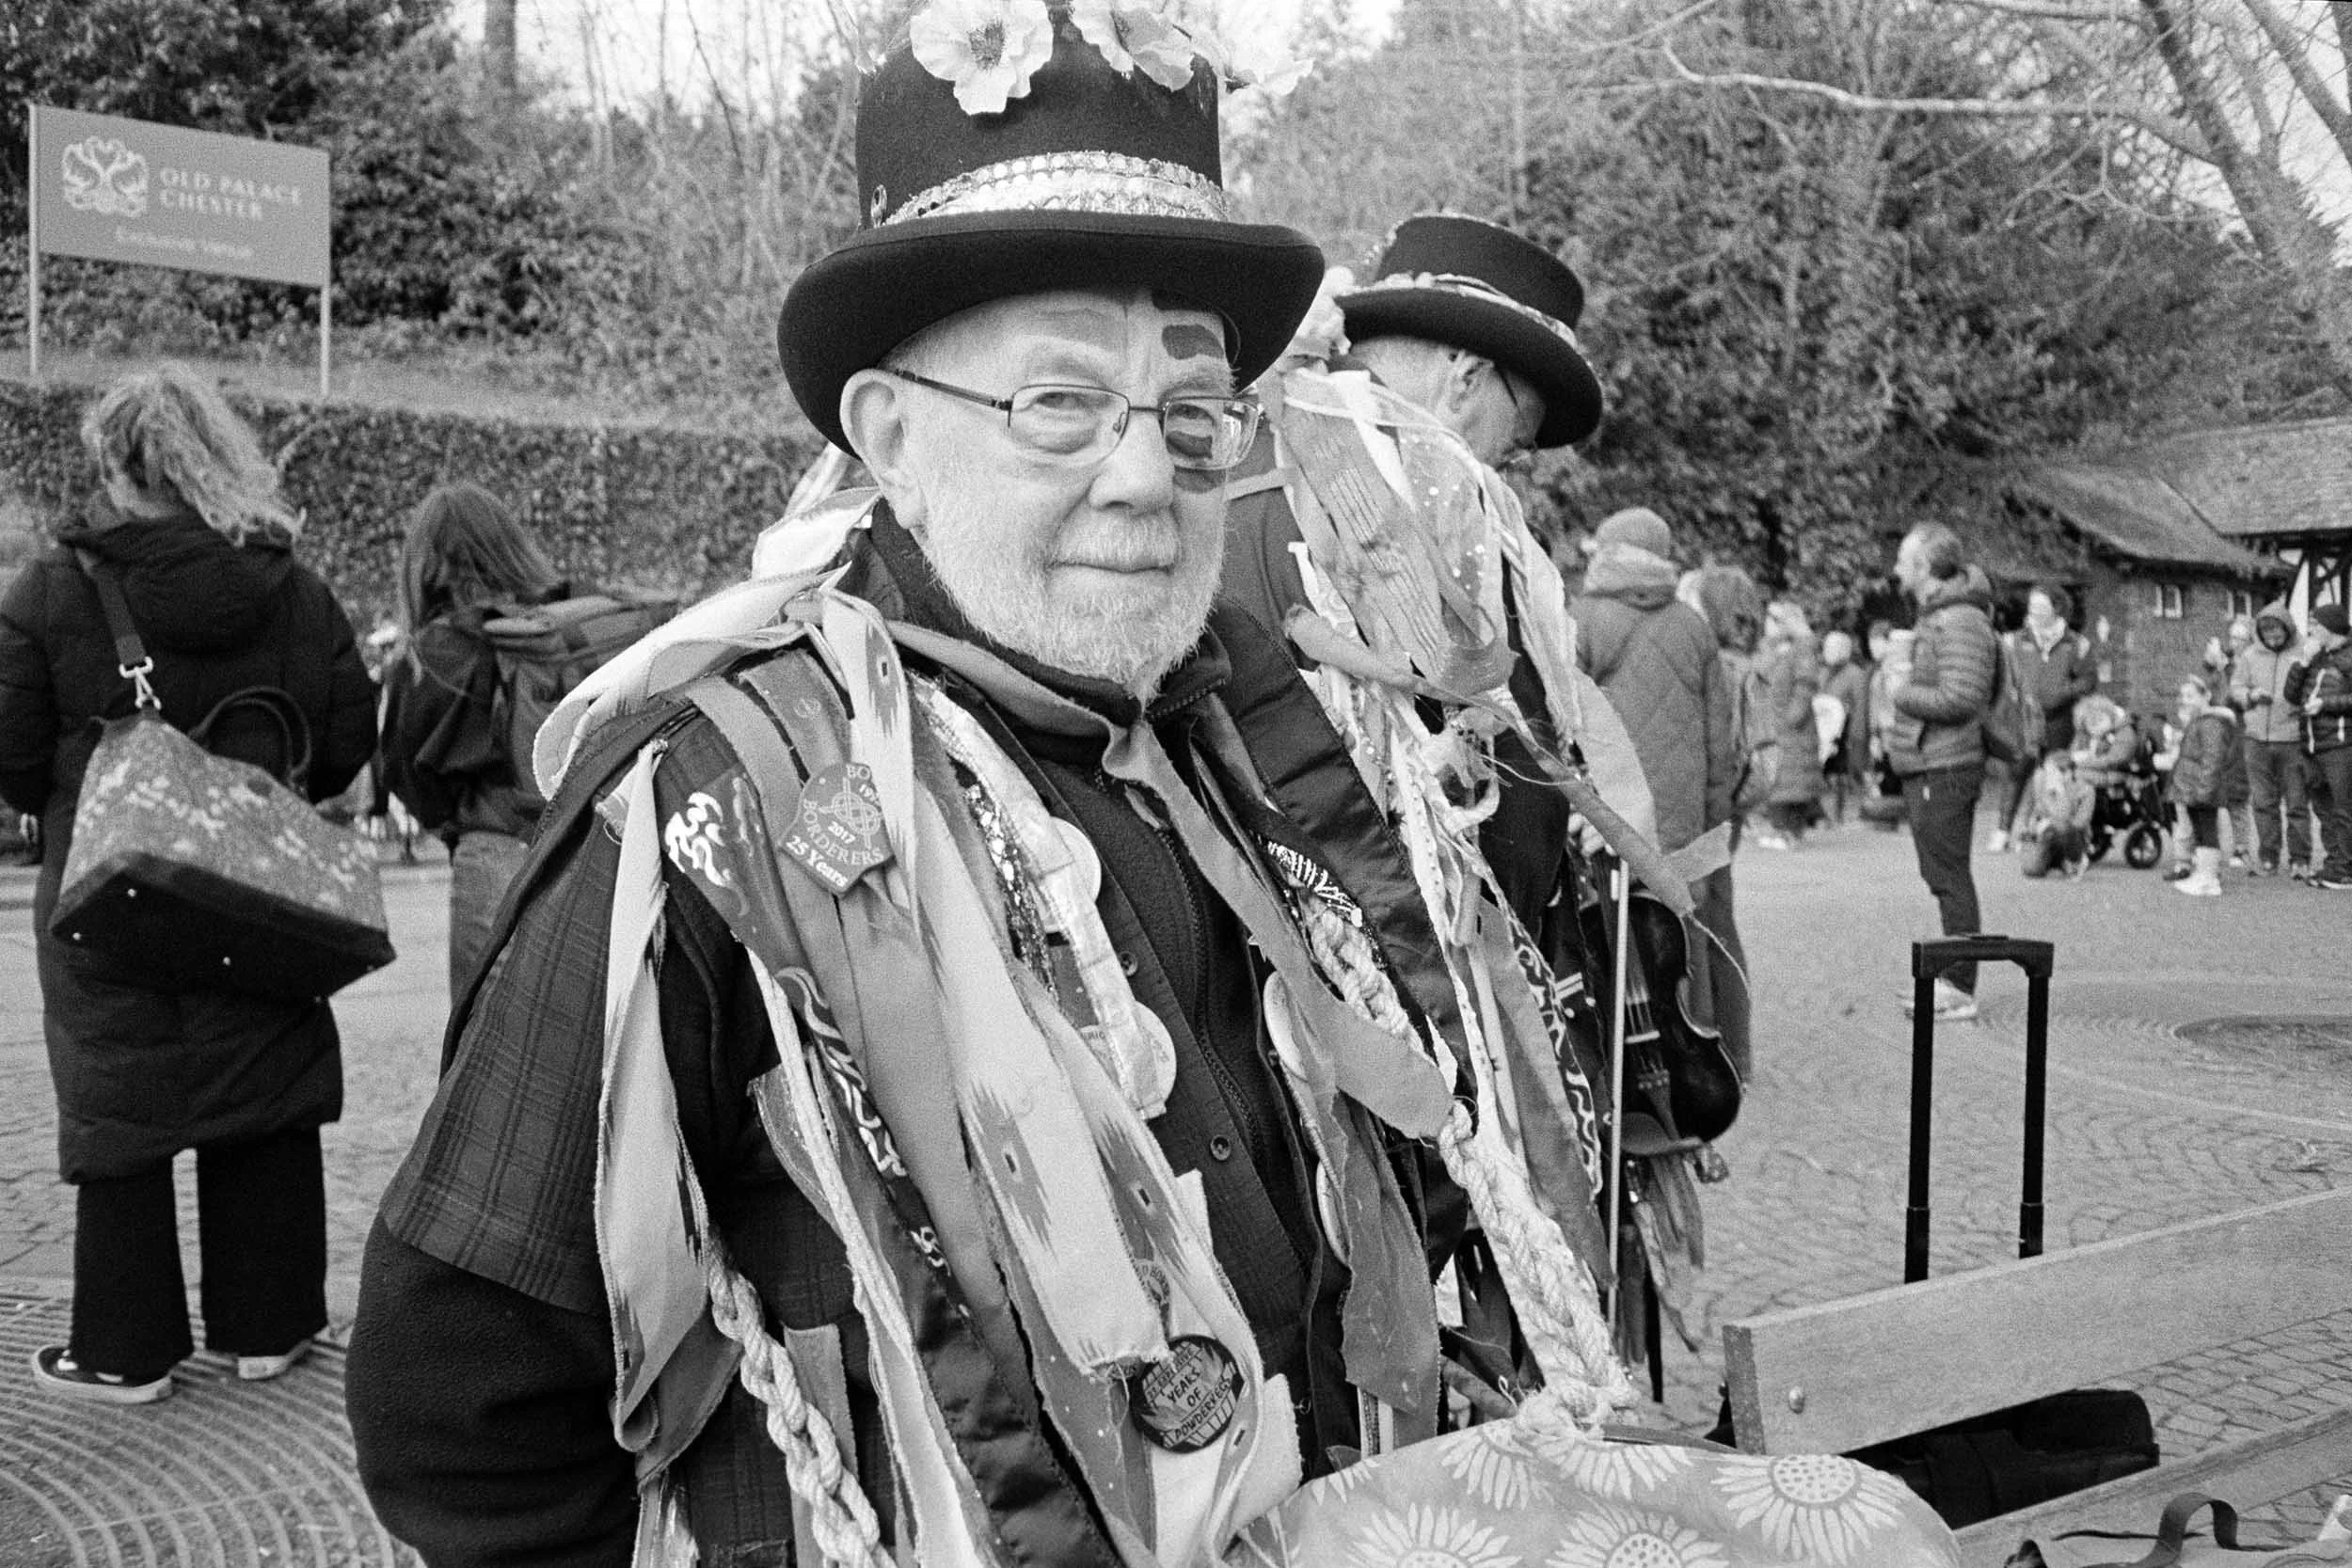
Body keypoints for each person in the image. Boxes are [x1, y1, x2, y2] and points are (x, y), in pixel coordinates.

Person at [345, 29, 1630, 1564]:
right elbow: (460, 1405)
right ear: (890, 432)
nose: (1147, 477)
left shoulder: (1230, 731)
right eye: (1062, 406)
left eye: (1191, 412)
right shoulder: (711, 797)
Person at [0, 365, 375, 1402]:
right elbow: (346, 740)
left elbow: (14, 754)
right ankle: (270, 1326)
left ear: (114, 464)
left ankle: (125, 1349)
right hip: (264, 891)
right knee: (262, 1084)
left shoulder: (51, 589)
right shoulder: (294, 589)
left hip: (104, 894)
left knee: (118, 1103)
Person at [376, 483, 569, 995]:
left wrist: (455, 824)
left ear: (424, 563)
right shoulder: (564, 627)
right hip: (594, 845)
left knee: (491, 1049)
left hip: (494, 851)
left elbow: (402, 768)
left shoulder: (434, 652)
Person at [1886, 523, 1997, 1022]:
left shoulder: (1960, 621)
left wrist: (1899, 688)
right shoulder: (1944, 618)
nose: (1896, 570)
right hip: (1931, 763)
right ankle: (1955, 981)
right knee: (1943, 876)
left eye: (1904, 560)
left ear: (1927, 567)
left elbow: (1963, 698)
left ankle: (1958, 987)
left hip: (1946, 765)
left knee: (1949, 877)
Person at [1991, 583, 2096, 852]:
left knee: (2054, 776)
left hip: (2059, 720)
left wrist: (2063, 693)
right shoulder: (2014, 641)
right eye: (2032, 606)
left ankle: (2046, 832)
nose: (2034, 611)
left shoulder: (2077, 644)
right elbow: (2000, 676)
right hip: (2023, 718)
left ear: (2056, 609)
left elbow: (2088, 680)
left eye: (2041, 606)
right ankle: (2003, 832)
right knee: (2017, 771)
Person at [2233, 599, 2314, 879]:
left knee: (2296, 801)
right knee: (2263, 802)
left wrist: (2299, 707)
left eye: (2277, 632)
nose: (2272, 638)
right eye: (2267, 633)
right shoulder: (2249, 656)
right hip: (2256, 739)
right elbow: (2236, 687)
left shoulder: (2304, 651)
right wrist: (2250, 696)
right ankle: (2268, 856)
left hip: (2292, 739)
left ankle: (2300, 858)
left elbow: (2313, 687)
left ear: (2288, 628)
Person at [2284, 602, 2352, 889]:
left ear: (2329, 628)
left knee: (2344, 809)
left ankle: (2347, 868)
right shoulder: (2315, 657)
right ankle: (2334, 864)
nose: (2310, 630)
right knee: (2324, 811)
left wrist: (2325, 705)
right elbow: (2291, 695)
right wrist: (2302, 662)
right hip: (2313, 745)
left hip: (2340, 745)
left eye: (2315, 625)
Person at [2160, 674, 2243, 898]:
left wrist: (2205, 789)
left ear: (2206, 696)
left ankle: (2208, 878)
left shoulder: (2211, 723)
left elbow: (2213, 759)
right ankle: (2204, 874)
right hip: (2193, 788)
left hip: (2202, 787)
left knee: (2207, 831)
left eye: (2190, 695)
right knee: (2200, 830)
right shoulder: (2198, 721)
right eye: (2182, 696)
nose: (2184, 700)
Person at [1752, 600, 1824, 849]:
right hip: (1774, 725)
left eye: (1775, 619)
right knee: (1779, 780)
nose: (1769, 624)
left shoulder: (1802, 648)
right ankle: (1780, 829)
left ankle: (1789, 831)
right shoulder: (1771, 648)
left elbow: (1805, 685)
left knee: (1792, 781)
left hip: (1792, 728)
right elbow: (1760, 675)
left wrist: (1790, 718)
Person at [1820, 627, 1871, 825]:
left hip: (1845, 733)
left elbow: (1860, 708)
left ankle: (1838, 816)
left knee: (1839, 775)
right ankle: (1824, 815)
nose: (1826, 651)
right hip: (1824, 732)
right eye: (1825, 647)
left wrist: (1856, 738)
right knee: (1824, 774)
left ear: (1843, 650)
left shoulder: (1856, 674)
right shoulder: (1823, 672)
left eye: (1831, 647)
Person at [2016, 753, 2093, 879]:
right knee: (2031, 870)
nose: (2048, 776)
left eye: (2052, 772)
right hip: (2047, 835)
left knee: (2062, 827)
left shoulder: (2086, 790)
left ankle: (2075, 860)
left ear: (2068, 772)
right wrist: (2029, 826)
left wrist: (2061, 792)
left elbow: (2080, 822)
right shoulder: (2043, 784)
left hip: (2073, 837)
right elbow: (2031, 809)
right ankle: (2056, 862)